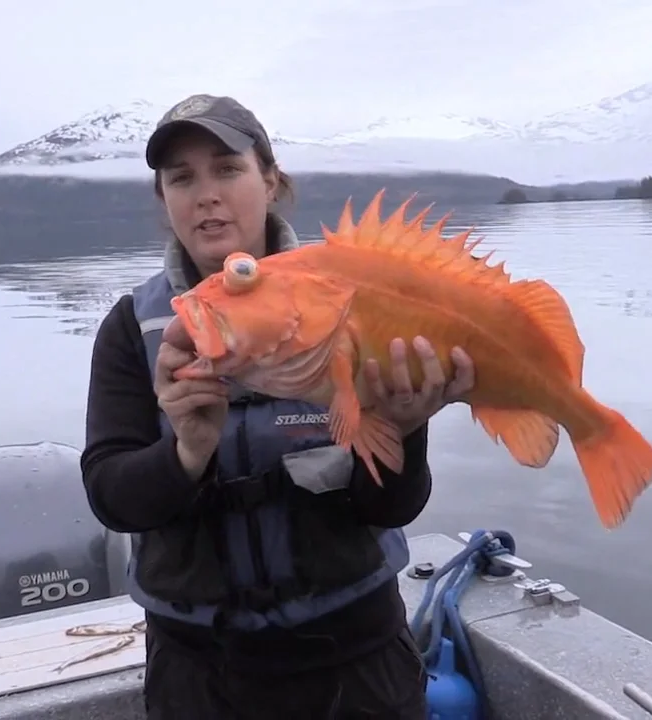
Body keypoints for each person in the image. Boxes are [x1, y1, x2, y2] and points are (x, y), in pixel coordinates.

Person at [80, 93, 476, 720]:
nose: (205, 194)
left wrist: (406, 427)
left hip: (356, 662)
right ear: (164, 202)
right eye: (181, 178)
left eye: (227, 169)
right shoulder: (133, 327)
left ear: (270, 179)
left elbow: (393, 506)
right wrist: (187, 450)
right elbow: (112, 497)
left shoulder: (352, 294)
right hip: (199, 675)